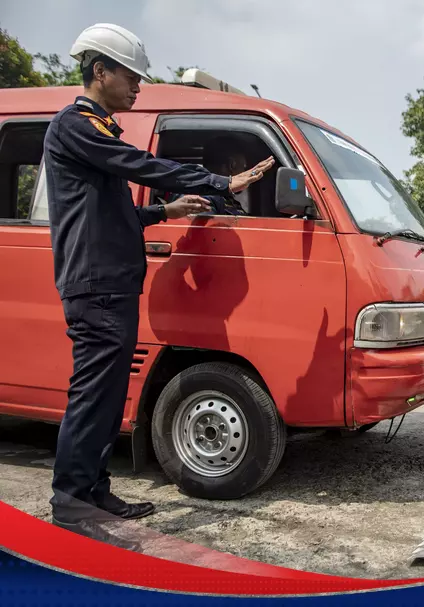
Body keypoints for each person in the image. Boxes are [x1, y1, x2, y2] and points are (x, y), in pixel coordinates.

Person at [43, 23, 275, 549]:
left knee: (106, 395)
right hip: (95, 283)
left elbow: (111, 211)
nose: (138, 87)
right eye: (131, 76)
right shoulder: (77, 125)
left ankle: (94, 490)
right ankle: (70, 501)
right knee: (92, 394)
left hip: (113, 283)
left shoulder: (94, 131)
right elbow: (140, 164)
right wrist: (219, 182)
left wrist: (164, 210)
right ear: (99, 71)